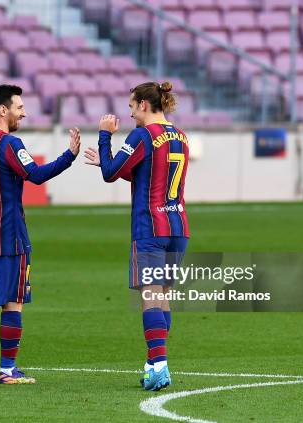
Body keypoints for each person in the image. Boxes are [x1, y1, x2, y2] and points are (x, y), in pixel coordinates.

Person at [0, 84, 81, 384]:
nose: (24, 112)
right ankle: (7, 370)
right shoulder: (9, 144)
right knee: (12, 301)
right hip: (9, 237)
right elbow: (35, 174)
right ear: (3, 110)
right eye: (20, 107)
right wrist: (69, 155)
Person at [84, 81, 189, 391]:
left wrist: (105, 136)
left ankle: (159, 366)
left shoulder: (143, 135)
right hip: (178, 227)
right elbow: (143, 170)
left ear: (144, 104)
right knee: (163, 296)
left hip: (150, 227)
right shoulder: (180, 136)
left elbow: (110, 173)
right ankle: (153, 364)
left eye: (131, 107)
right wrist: (112, 161)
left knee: (151, 296)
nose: (129, 114)